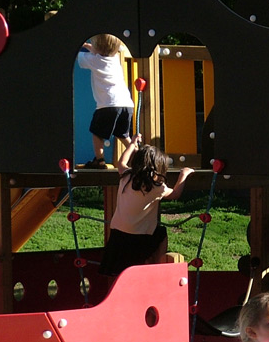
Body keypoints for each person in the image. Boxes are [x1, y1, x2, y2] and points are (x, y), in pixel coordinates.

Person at [99, 133, 194, 277]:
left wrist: (132, 144)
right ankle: (155, 263)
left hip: (117, 236)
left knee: (118, 274)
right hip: (139, 239)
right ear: (158, 167)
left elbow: (121, 162)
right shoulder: (157, 187)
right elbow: (175, 194)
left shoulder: (126, 177)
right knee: (161, 233)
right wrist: (183, 175)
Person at [77, 33, 136, 169]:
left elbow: (77, 55)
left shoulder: (93, 60)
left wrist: (79, 46)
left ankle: (100, 160)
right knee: (122, 134)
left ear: (97, 48)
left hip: (108, 105)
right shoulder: (114, 58)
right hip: (126, 104)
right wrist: (88, 46)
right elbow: (100, 50)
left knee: (97, 133)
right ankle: (138, 154)